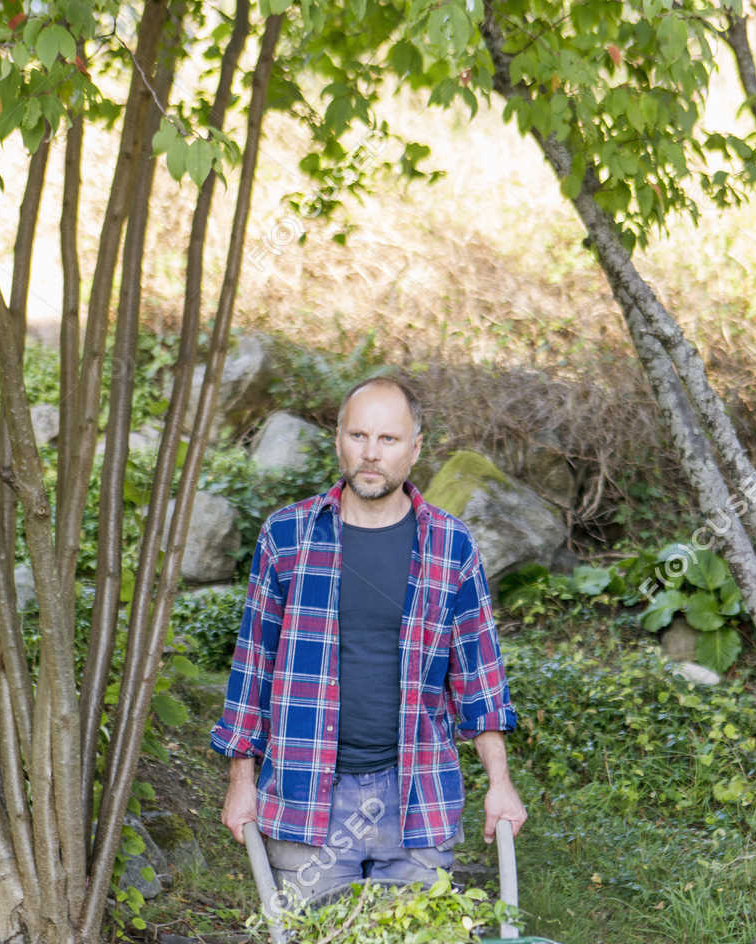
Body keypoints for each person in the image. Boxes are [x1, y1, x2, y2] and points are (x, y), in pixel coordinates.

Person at [211, 373, 526, 902]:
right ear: (338, 439)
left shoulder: (451, 546)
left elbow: (480, 681)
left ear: (415, 448)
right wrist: (241, 783)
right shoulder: (287, 537)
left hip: (415, 796)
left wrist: (500, 783)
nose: (371, 454)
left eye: (388, 439)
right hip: (306, 795)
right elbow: (253, 667)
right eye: (359, 436)